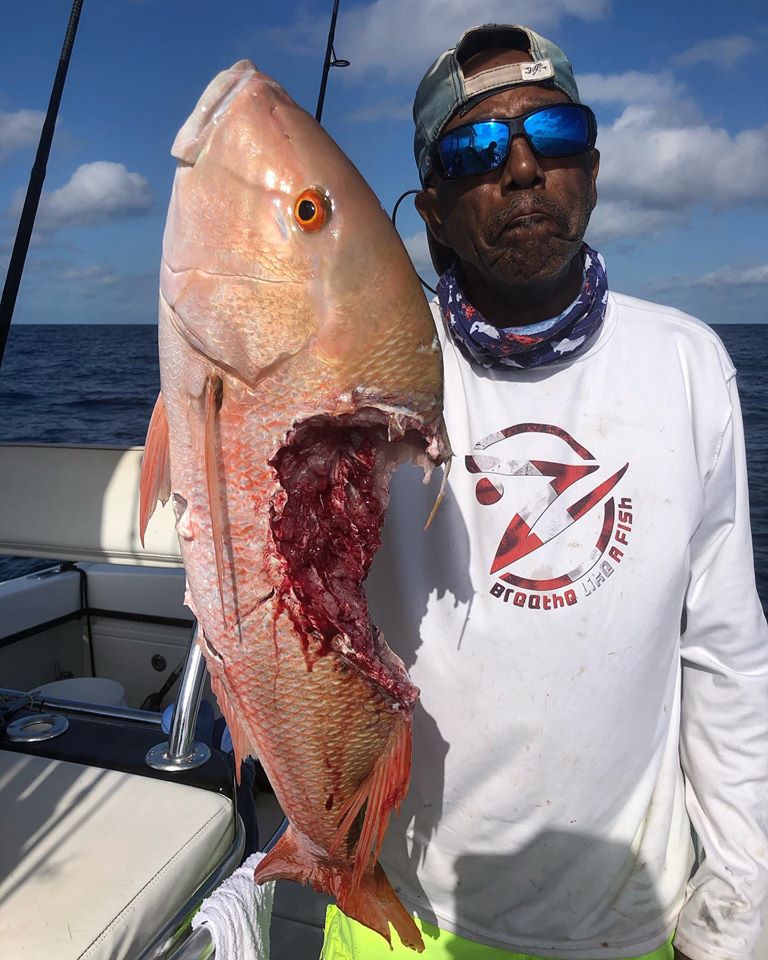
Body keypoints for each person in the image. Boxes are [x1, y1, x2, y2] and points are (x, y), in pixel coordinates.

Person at [320, 23, 768, 960]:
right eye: (476, 147)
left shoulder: (687, 364)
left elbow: (725, 662)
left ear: (592, 170)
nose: (521, 167)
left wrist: (740, 903)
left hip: (626, 923)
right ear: (433, 209)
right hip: (395, 913)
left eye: (553, 134)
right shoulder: (361, 383)